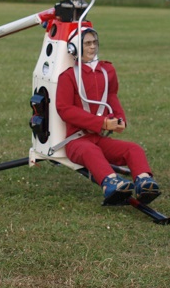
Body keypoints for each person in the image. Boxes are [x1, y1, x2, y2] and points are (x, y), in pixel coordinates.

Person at [56, 27, 160, 205]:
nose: (92, 47)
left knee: (133, 149)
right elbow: (64, 109)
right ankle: (111, 183)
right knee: (91, 151)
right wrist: (101, 122)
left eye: (94, 43)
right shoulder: (68, 76)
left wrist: (120, 119)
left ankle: (144, 183)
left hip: (98, 138)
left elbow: (112, 96)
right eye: (87, 43)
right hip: (76, 141)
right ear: (75, 48)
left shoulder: (107, 70)